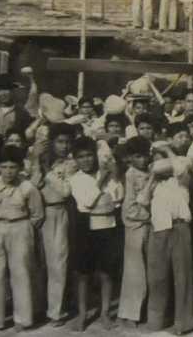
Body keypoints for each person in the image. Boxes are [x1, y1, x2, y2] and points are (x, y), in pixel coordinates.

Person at [0, 146, 44, 333]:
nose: (8, 171)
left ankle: (22, 319)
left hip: (20, 227)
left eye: (12, 167)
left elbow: (37, 215)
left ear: (20, 167)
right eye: (4, 167)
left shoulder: (28, 187)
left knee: (20, 273)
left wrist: (24, 229)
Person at [141, 143, 193, 334]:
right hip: (159, 229)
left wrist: (166, 149)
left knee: (183, 276)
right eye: (157, 159)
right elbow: (142, 200)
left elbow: (180, 165)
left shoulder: (181, 178)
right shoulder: (154, 182)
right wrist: (152, 178)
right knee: (157, 277)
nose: (161, 163)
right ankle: (156, 319)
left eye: (164, 159)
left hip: (179, 227)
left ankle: (184, 323)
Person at [69, 136, 124, 331]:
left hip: (108, 226)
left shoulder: (107, 173)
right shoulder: (75, 179)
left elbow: (117, 198)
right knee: (83, 274)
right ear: (75, 159)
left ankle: (105, 313)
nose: (86, 160)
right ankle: (83, 314)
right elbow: (86, 203)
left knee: (107, 272)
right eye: (81, 157)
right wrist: (101, 182)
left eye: (89, 155)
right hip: (86, 228)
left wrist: (114, 177)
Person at [34, 123, 74, 326]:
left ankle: (55, 311)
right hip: (36, 214)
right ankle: (38, 307)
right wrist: (36, 162)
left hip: (57, 212)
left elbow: (65, 191)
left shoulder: (70, 164)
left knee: (57, 263)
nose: (64, 146)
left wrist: (47, 171)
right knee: (37, 264)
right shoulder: (40, 160)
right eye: (60, 142)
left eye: (67, 142)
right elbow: (32, 185)